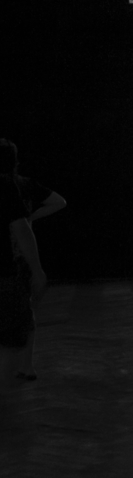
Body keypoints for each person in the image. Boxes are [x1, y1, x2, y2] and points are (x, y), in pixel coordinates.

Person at [0, 139, 64, 381]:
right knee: (24, 314)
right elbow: (59, 202)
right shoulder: (23, 184)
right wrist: (31, 217)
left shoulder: (9, 186)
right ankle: (26, 365)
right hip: (17, 260)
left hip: (12, 261)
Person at [0, 173, 47, 387]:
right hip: (11, 266)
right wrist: (37, 270)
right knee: (21, 320)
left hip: (11, 266)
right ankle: (26, 366)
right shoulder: (17, 184)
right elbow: (58, 202)